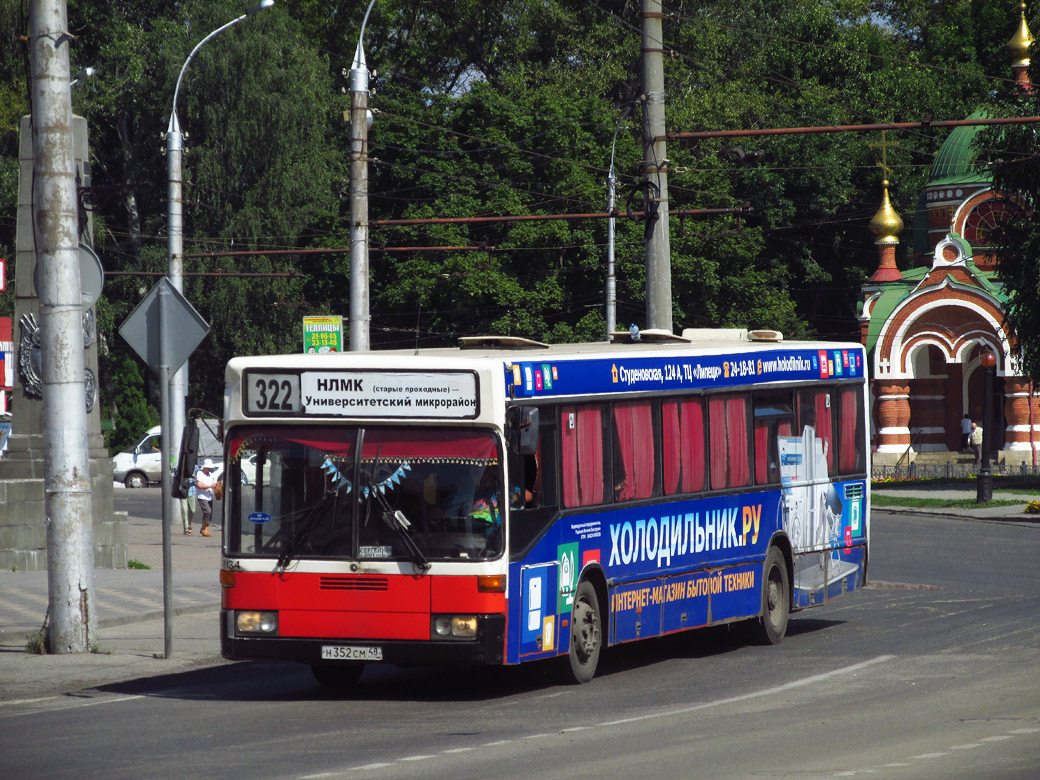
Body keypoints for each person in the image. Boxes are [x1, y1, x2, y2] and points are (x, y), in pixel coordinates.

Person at [194, 458, 219, 537]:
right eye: (208, 467)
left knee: (210, 513)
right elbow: (199, 485)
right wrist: (210, 486)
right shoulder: (200, 473)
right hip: (202, 496)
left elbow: (213, 484)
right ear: (204, 467)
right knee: (207, 511)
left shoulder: (211, 475)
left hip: (209, 496)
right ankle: (204, 529)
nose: (209, 469)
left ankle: (205, 529)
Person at [180, 469, 197, 535]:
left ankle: (189, 524)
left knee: (192, 510)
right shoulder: (180, 466)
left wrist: (193, 479)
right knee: (184, 510)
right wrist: (190, 478)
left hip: (191, 492)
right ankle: (186, 528)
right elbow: (177, 477)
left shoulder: (195, 468)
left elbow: (197, 480)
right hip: (182, 491)